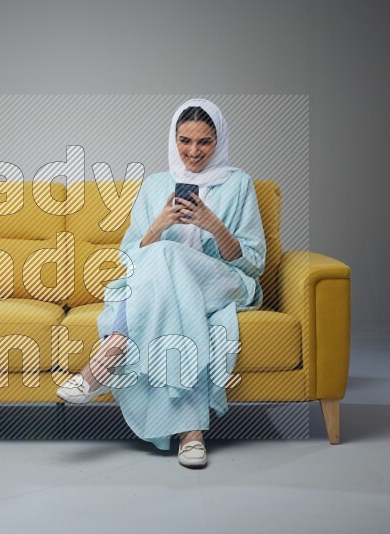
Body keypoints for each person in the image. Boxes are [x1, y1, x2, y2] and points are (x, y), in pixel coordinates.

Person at [56, 99, 267, 468]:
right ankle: (191, 432)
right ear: (174, 139)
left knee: (164, 257)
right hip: (171, 292)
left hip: (222, 282)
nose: (193, 151)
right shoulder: (155, 185)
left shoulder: (238, 184)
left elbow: (253, 263)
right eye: (185, 141)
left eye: (204, 142)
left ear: (219, 141)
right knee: (159, 260)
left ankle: (113, 351)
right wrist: (159, 225)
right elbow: (130, 258)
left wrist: (212, 225)